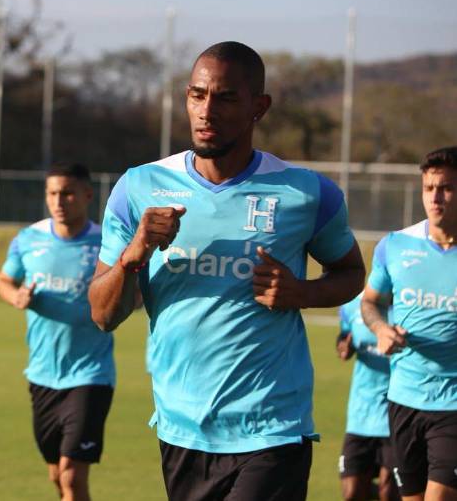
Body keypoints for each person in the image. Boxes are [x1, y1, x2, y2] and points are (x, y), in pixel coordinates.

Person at [88, 41, 366, 501]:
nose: (207, 110)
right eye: (197, 95)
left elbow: (351, 272)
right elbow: (101, 314)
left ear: (260, 107)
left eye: (226, 98)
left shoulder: (306, 193)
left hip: (273, 427)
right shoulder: (139, 188)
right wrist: (132, 254)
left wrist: (300, 292)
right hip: (182, 429)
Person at [0, 163, 113, 501]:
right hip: (43, 374)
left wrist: (121, 305)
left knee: (72, 476)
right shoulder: (28, 239)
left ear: (88, 195)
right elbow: (3, 280)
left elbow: (130, 291)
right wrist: (16, 296)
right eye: (52, 193)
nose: (59, 200)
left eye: (68, 192)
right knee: (57, 476)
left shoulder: (107, 241)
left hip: (91, 374)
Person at [362, 146, 457, 501]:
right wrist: (381, 329)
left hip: (453, 403)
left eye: (446, 188)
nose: (436, 197)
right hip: (403, 399)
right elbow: (371, 303)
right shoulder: (395, 246)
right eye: (429, 188)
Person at [337, 294, 398, 501]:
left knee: (388, 493)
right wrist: (344, 347)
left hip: (396, 417)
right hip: (360, 416)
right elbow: (345, 335)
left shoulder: (411, 305)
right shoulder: (352, 304)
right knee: (352, 493)